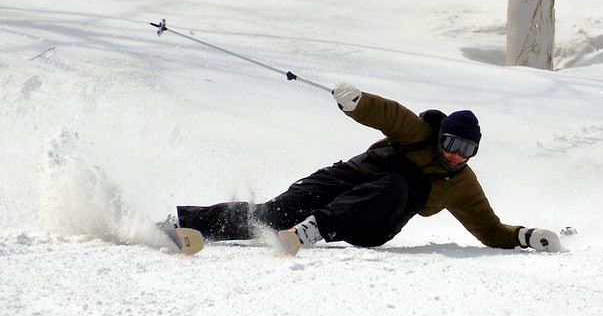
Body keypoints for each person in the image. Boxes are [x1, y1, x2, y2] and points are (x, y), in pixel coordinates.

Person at [175, 82, 561, 255]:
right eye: (452, 144)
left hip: (375, 222)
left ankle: (313, 229)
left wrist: (525, 236)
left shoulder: (461, 183)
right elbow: (388, 114)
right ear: (440, 136)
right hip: (350, 180)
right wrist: (356, 103)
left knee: (395, 185)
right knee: (271, 214)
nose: (457, 155)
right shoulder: (418, 132)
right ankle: (182, 224)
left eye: (467, 150)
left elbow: (489, 229)